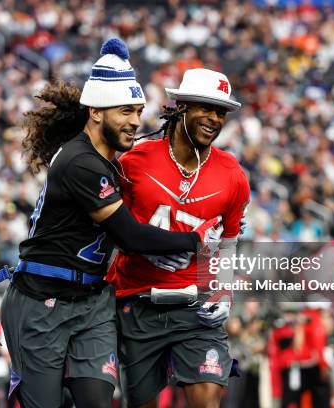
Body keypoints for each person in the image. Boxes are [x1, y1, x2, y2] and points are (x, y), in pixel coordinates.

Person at [0, 39, 222, 408]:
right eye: (125, 111)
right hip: (42, 301)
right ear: (96, 113)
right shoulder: (81, 163)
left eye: (138, 110)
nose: (136, 121)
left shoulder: (108, 163)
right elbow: (129, 236)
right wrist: (193, 241)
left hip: (91, 303)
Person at [106, 68, 250, 408]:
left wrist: (224, 291)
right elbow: (113, 228)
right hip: (138, 300)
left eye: (221, 112)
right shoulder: (133, 161)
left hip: (196, 306)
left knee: (208, 398)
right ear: (182, 106)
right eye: (206, 108)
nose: (214, 118)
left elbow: (228, 242)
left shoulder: (233, 175)